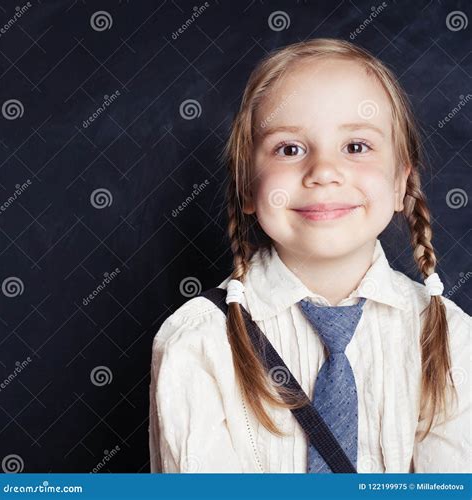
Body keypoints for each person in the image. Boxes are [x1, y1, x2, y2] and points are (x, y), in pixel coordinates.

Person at [148, 38, 471, 473]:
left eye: (356, 146)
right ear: (247, 185)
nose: (323, 172)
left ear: (401, 183)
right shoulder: (199, 343)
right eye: (289, 148)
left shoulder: (452, 340)